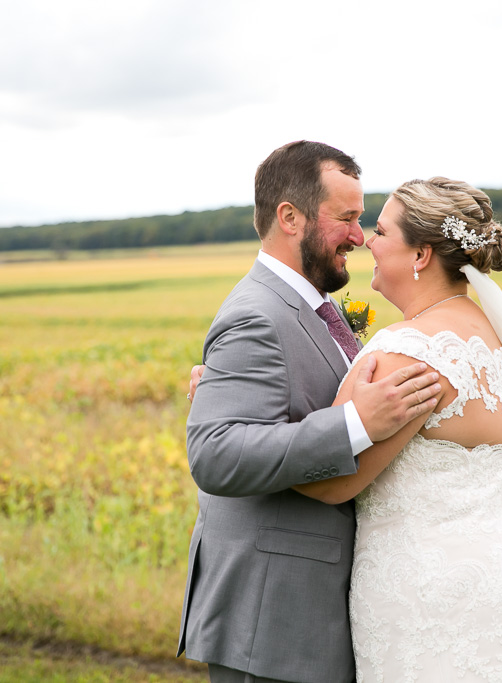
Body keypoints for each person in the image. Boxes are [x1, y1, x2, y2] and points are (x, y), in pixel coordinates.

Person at [293, 177, 502, 682]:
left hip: (434, 602)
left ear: (420, 254)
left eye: (379, 230)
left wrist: (237, 421)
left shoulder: (407, 350)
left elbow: (330, 480)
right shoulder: (494, 342)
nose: (366, 242)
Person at [179, 141, 443, 683]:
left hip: (311, 610)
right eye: (345, 218)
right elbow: (215, 453)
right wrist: (354, 424)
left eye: (361, 219)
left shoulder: (310, 306)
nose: (358, 236)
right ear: (290, 217)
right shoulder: (257, 315)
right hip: (272, 618)